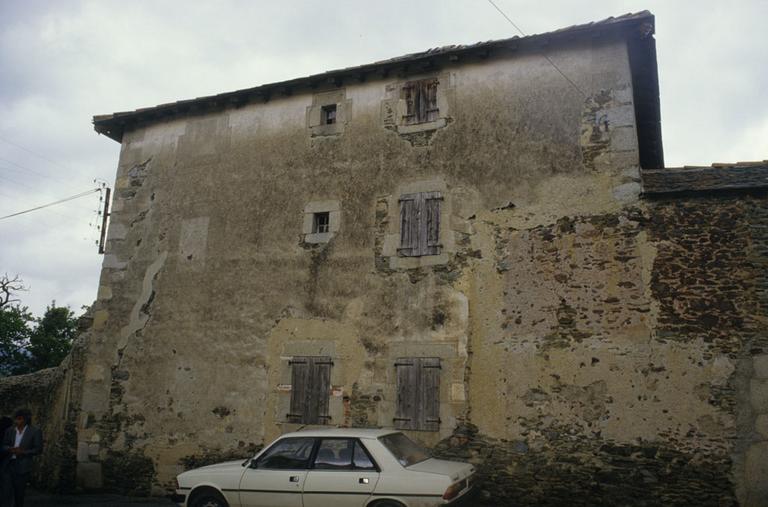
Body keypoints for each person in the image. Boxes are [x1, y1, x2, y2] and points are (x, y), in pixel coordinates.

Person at [1, 409, 42, 507]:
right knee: (6, 493)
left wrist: (23, 452)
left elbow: (38, 449)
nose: (16, 422)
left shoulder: (35, 431)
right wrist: (9, 449)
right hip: (8, 465)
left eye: (19, 419)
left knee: (19, 494)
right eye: (16, 419)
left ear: (25, 420)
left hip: (23, 466)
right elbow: (3, 445)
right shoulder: (10, 430)